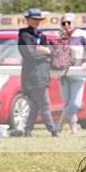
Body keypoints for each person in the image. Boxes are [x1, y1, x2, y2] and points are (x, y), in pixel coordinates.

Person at [15, 8, 59, 137]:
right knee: (45, 104)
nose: (36, 22)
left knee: (35, 105)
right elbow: (30, 54)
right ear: (28, 20)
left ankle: (28, 130)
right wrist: (46, 54)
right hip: (33, 75)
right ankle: (53, 130)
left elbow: (53, 51)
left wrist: (47, 52)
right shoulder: (24, 36)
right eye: (33, 19)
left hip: (43, 74)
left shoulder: (40, 35)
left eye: (38, 20)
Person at [54, 13, 86, 135]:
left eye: (69, 22)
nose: (66, 25)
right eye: (64, 23)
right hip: (62, 74)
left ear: (74, 23)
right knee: (67, 104)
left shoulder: (82, 34)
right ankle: (74, 130)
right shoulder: (60, 35)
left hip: (78, 74)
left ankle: (58, 126)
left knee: (75, 104)